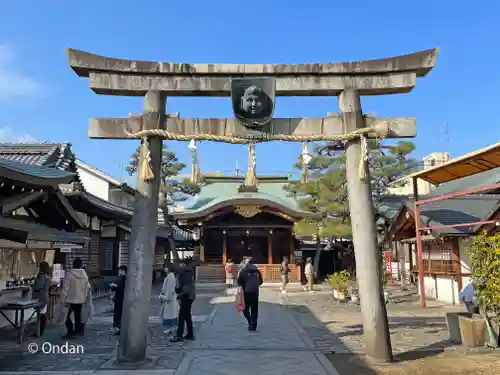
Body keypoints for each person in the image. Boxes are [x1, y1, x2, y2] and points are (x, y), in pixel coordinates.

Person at [60, 258, 91, 337]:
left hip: (70, 300)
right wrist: (85, 297)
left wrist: (63, 299)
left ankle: (70, 331)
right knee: (78, 316)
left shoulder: (69, 274)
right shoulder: (84, 275)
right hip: (81, 300)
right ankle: (78, 331)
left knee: (66, 316)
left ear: (73, 265)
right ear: (81, 265)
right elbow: (87, 287)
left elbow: (65, 288)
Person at [171, 260, 196, 342]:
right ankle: (190, 334)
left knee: (182, 316)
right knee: (187, 316)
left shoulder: (184, 275)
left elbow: (184, 289)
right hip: (190, 297)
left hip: (186, 297)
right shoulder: (188, 273)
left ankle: (179, 335)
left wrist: (179, 292)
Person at [237, 257, 263, 331]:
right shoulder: (257, 271)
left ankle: (250, 321)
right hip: (255, 293)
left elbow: (239, 282)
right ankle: (254, 325)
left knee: (245, 309)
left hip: (246, 293)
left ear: (246, 263)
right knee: (255, 310)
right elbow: (261, 282)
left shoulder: (243, 271)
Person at [31, 261, 51, 336]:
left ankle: (39, 332)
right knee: (43, 314)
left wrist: (33, 285)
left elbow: (38, 286)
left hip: (40, 297)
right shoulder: (47, 276)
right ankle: (40, 331)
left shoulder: (42, 276)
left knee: (40, 315)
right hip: (45, 297)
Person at [159, 264, 179, 336]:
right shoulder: (170, 276)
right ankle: (172, 327)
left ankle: (171, 327)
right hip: (169, 297)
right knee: (171, 313)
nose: (165, 269)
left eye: (166, 268)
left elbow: (170, 288)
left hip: (169, 298)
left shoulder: (170, 276)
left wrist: (165, 297)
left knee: (170, 314)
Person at [110, 265, 127, 335]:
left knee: (117, 314)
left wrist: (112, 295)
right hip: (124, 299)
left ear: (122, 270)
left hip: (119, 299)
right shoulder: (128, 279)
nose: (119, 272)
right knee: (122, 315)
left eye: (119, 270)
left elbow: (114, 287)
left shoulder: (119, 279)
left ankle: (118, 328)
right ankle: (121, 328)